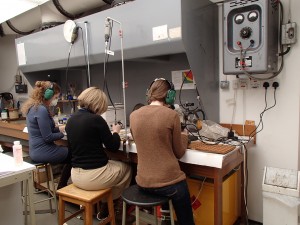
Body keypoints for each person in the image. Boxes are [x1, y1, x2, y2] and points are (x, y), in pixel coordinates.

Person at [130, 78, 195, 225]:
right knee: (179, 186)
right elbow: (179, 152)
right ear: (169, 95)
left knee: (166, 183)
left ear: (150, 93)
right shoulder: (171, 115)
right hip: (169, 185)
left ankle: (166, 219)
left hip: (142, 181)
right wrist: (184, 136)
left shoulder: (134, 115)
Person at [65, 87, 132, 219]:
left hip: (75, 176)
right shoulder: (96, 120)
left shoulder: (71, 120)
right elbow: (112, 146)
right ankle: (110, 208)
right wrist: (116, 132)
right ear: (97, 103)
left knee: (114, 165)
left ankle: (105, 206)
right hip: (92, 178)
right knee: (127, 168)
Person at [21, 81, 71, 189]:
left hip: (36, 150)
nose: (56, 100)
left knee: (68, 151)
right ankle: (63, 187)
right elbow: (48, 137)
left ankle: (63, 184)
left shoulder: (34, 107)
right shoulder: (41, 110)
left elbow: (50, 129)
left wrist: (63, 127)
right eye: (56, 97)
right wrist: (63, 133)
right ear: (48, 95)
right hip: (42, 151)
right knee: (74, 154)